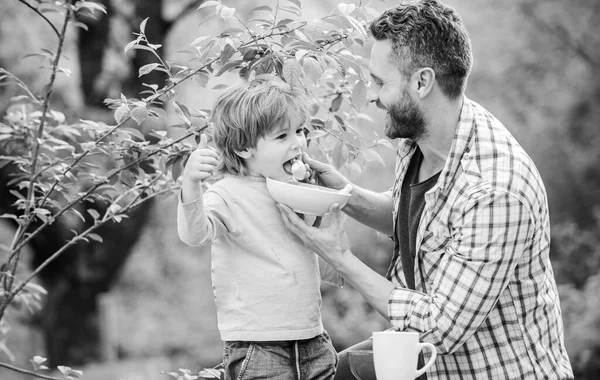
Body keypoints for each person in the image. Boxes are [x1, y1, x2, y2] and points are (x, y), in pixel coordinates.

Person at [277, 1, 574, 379]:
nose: (370, 95)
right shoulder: (423, 137)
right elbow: (415, 223)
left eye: (380, 82)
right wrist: (343, 195)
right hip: (430, 365)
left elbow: (439, 326)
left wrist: (339, 257)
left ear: (422, 82)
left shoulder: (496, 190)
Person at [177, 76, 341, 380]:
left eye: (300, 132)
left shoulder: (295, 190)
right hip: (258, 346)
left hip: (312, 339)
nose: (298, 143)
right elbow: (195, 234)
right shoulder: (226, 194)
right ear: (243, 149)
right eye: (282, 136)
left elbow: (320, 247)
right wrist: (191, 184)